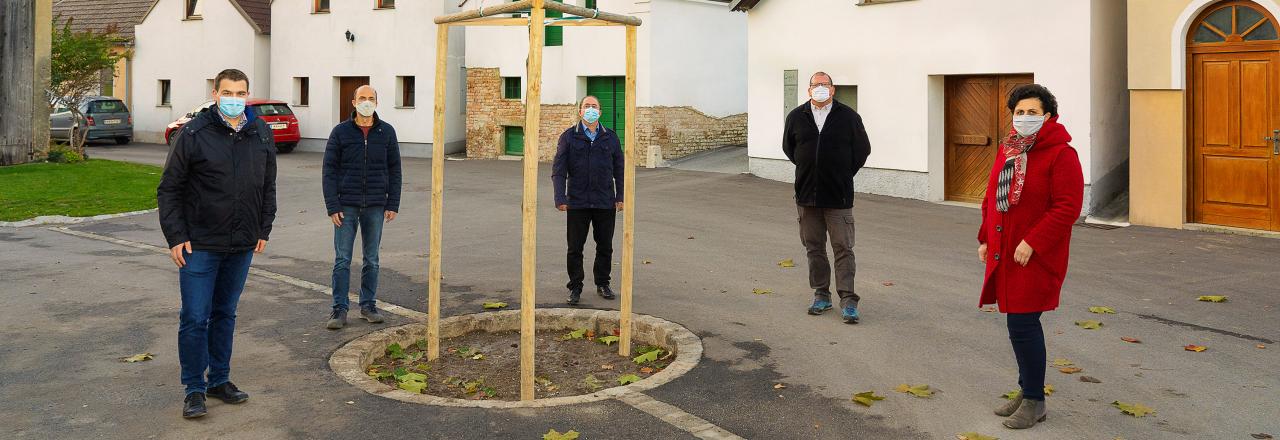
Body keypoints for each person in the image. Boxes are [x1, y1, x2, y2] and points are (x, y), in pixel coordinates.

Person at [157, 68, 276, 419]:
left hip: (241, 244)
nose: (234, 99)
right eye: (228, 92)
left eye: (240, 93)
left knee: (226, 313)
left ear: (248, 95)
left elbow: (267, 186)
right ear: (215, 91)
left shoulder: (261, 132)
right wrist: (176, 236)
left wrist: (263, 228)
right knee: (195, 317)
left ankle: (219, 380)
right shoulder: (193, 133)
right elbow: (169, 189)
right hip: (199, 245)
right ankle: (194, 389)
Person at [977, 84, 1083, 430]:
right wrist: (983, 238)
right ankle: (1027, 391)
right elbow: (992, 195)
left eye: (1032, 112)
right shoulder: (1009, 150)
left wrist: (1033, 241)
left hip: (1035, 255)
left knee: (1023, 324)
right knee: (1016, 324)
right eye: (1019, 112)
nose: (1024, 118)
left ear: (1048, 116)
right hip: (1005, 250)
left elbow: (1067, 207)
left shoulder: (1061, 154)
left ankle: (1035, 400)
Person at [782, 71, 871, 324]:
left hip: (838, 196)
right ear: (808, 90)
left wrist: (842, 174)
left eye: (825, 84)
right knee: (814, 248)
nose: (820, 88)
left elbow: (862, 150)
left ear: (833, 90)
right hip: (807, 197)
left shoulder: (849, 117)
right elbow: (790, 148)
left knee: (843, 248)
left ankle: (848, 301)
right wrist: (809, 170)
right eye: (815, 85)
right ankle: (821, 295)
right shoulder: (796, 117)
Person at [322, 85, 402, 330]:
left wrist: (393, 202)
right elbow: (329, 171)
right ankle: (339, 309)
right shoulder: (340, 132)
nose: (366, 102)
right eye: (362, 98)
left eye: (371, 98)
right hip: (346, 206)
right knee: (342, 259)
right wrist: (332, 205)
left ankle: (368, 306)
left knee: (372, 260)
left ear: (377, 102)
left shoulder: (386, 132)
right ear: (354, 102)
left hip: (376, 206)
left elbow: (395, 170)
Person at [551, 95, 625, 306]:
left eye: (594, 106)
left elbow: (620, 170)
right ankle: (575, 286)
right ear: (580, 112)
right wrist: (560, 197)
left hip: (604, 202)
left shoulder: (610, 137)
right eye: (587, 106)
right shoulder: (569, 137)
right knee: (575, 248)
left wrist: (620, 196)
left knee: (605, 246)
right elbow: (559, 170)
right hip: (578, 202)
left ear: (600, 112)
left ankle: (603, 283)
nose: (591, 109)